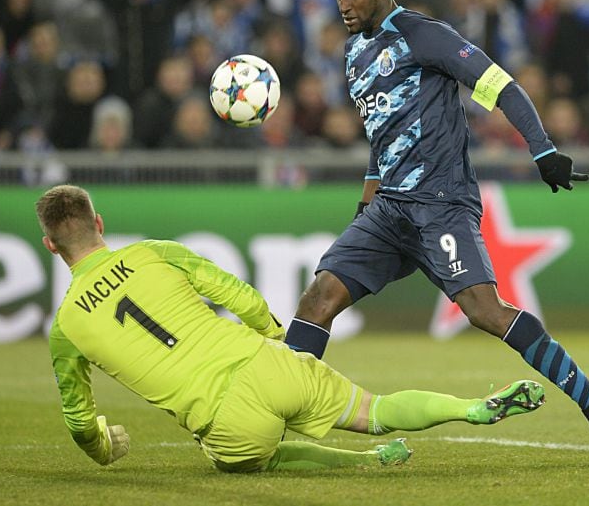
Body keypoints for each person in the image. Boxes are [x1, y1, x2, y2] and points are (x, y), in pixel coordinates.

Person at [283, 0, 589, 466]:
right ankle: (279, 410)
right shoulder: (355, 52)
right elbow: (383, 142)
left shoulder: (425, 35)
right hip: (387, 212)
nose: (343, 4)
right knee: (317, 299)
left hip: (441, 205)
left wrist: (542, 150)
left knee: (486, 312)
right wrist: (365, 208)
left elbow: (502, 85)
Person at [37, 184, 546, 473]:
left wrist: (104, 447)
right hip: (266, 362)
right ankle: (472, 408)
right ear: (98, 222)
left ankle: (364, 463)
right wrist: (278, 342)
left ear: (52, 246)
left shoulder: (66, 327)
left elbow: (79, 419)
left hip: (223, 418)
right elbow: (238, 296)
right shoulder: (153, 253)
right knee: (379, 409)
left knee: (243, 461)